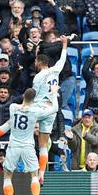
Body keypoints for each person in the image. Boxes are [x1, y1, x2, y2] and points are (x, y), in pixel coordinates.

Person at [33, 35, 68, 185]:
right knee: (43, 145)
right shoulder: (55, 70)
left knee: (16, 118)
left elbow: (34, 97)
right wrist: (65, 45)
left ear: (39, 62)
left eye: (35, 61)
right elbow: (62, 59)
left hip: (42, 108)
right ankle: (42, 174)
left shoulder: (38, 77)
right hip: (53, 110)